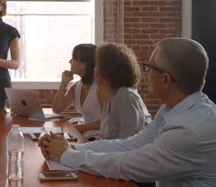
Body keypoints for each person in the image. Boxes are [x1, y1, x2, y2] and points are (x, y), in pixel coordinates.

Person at [39, 38, 216, 186]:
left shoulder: (191, 130)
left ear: (165, 79)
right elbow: (130, 144)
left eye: (150, 67)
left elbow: (128, 164)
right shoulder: (172, 109)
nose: (146, 72)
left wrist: (67, 155)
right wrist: (71, 147)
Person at [95, 43, 151, 139]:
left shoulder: (126, 97)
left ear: (110, 71)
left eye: (98, 66)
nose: (95, 69)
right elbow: (105, 136)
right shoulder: (110, 95)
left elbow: (128, 144)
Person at [51, 44, 106, 132]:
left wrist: (73, 129)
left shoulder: (102, 87)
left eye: (73, 59)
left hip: (99, 138)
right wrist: (64, 83)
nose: (70, 61)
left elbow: (107, 123)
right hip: (86, 135)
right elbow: (57, 109)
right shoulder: (77, 86)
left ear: (84, 65)